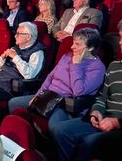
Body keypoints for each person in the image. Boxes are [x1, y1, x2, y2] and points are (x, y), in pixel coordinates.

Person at [8, 28, 106, 134]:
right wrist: (38, 95)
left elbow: (79, 92)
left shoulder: (97, 67)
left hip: (65, 104)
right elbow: (50, 77)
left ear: (90, 48)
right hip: (48, 96)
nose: (72, 46)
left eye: (77, 44)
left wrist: (76, 65)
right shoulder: (67, 56)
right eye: (73, 43)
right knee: (13, 103)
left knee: (54, 126)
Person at [51, 20, 122, 161]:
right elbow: (102, 97)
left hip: (119, 125)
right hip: (103, 119)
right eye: (120, 37)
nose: (120, 42)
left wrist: (117, 122)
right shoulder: (114, 66)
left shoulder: (98, 66)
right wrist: (96, 112)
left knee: (89, 142)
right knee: (60, 130)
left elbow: (79, 91)